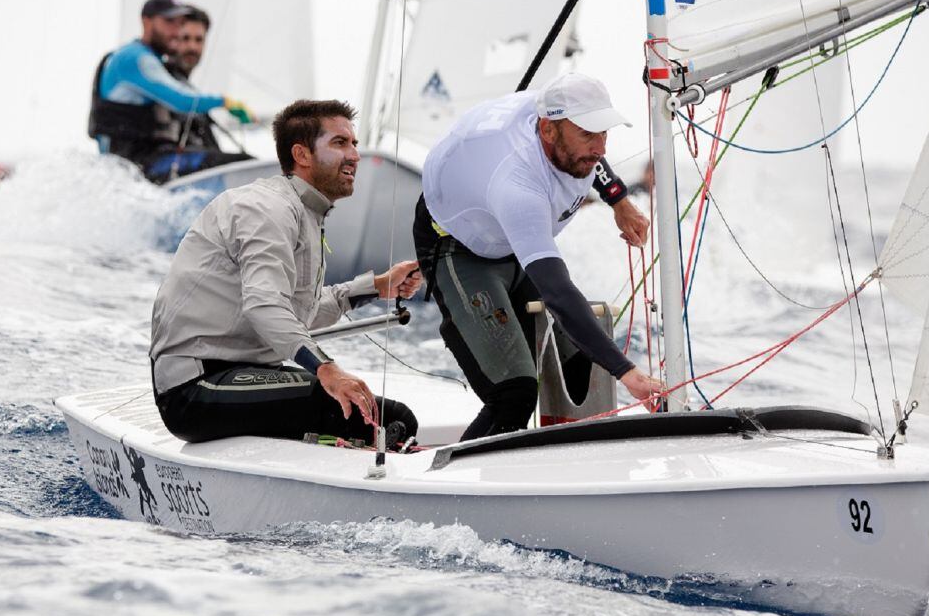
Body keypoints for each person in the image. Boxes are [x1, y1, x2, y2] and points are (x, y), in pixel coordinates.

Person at [150, 99, 422, 446]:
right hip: (195, 387)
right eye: (340, 143)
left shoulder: (304, 211)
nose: (354, 155)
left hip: (243, 374)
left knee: (386, 415)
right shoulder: (268, 208)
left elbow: (298, 315)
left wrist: (377, 287)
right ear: (302, 154)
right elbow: (265, 307)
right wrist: (327, 369)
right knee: (372, 414)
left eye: (353, 144)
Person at [414, 72, 663, 442]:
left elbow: (592, 156)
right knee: (514, 394)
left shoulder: (561, 127)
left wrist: (619, 201)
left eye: (604, 133)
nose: (600, 148)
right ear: (547, 131)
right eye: (587, 134)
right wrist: (628, 373)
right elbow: (558, 293)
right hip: (456, 246)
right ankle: (448, 483)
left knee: (578, 367)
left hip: (506, 238)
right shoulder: (518, 186)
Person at [88, 0, 253, 184]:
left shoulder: (149, 60)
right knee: (243, 164)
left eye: (179, 23)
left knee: (231, 161)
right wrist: (225, 101)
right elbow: (183, 101)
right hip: (138, 166)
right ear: (147, 22)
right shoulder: (135, 58)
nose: (176, 31)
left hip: (142, 166)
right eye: (169, 22)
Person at [164, 7, 230, 154]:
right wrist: (225, 102)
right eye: (185, 38)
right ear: (173, 40)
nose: (192, 47)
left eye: (198, 40)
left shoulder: (188, 89)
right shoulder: (161, 81)